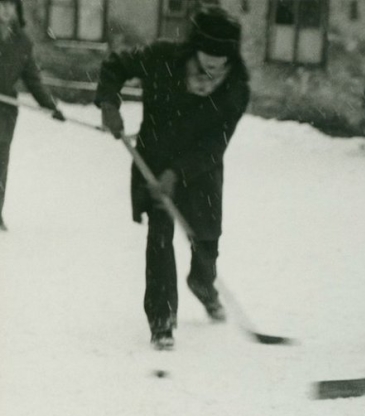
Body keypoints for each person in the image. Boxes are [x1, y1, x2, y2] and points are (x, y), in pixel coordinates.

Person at [95, 6, 250, 350]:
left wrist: (178, 173)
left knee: (206, 237)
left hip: (200, 171)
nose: (212, 66)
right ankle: (161, 320)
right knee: (160, 239)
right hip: (154, 160)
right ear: (195, 47)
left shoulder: (237, 88)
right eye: (207, 56)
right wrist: (109, 103)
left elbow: (215, 144)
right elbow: (116, 64)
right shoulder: (162, 56)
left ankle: (203, 283)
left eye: (220, 60)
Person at [0, 0, 65, 231]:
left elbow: (33, 78)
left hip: (4, 111)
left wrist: (50, 106)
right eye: (1, 4)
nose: (6, 9)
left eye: (11, 5)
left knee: (0, 160)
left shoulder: (23, 42)